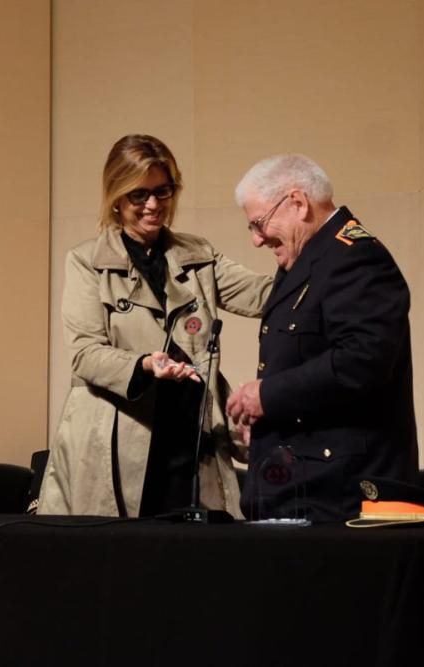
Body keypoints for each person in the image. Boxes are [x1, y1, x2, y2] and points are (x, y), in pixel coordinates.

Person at [37, 135, 272, 517]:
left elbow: (262, 295)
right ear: (116, 196)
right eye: (139, 195)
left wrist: (318, 261)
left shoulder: (198, 256)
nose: (153, 205)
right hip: (117, 440)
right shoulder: (86, 262)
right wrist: (145, 364)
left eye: (162, 192)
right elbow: (85, 354)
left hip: (188, 437)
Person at [226, 154, 418, 522]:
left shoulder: (356, 258)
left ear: (297, 203)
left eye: (259, 223)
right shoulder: (309, 258)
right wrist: (269, 425)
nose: (256, 239)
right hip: (303, 492)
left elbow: (361, 361)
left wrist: (267, 395)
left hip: (341, 498)